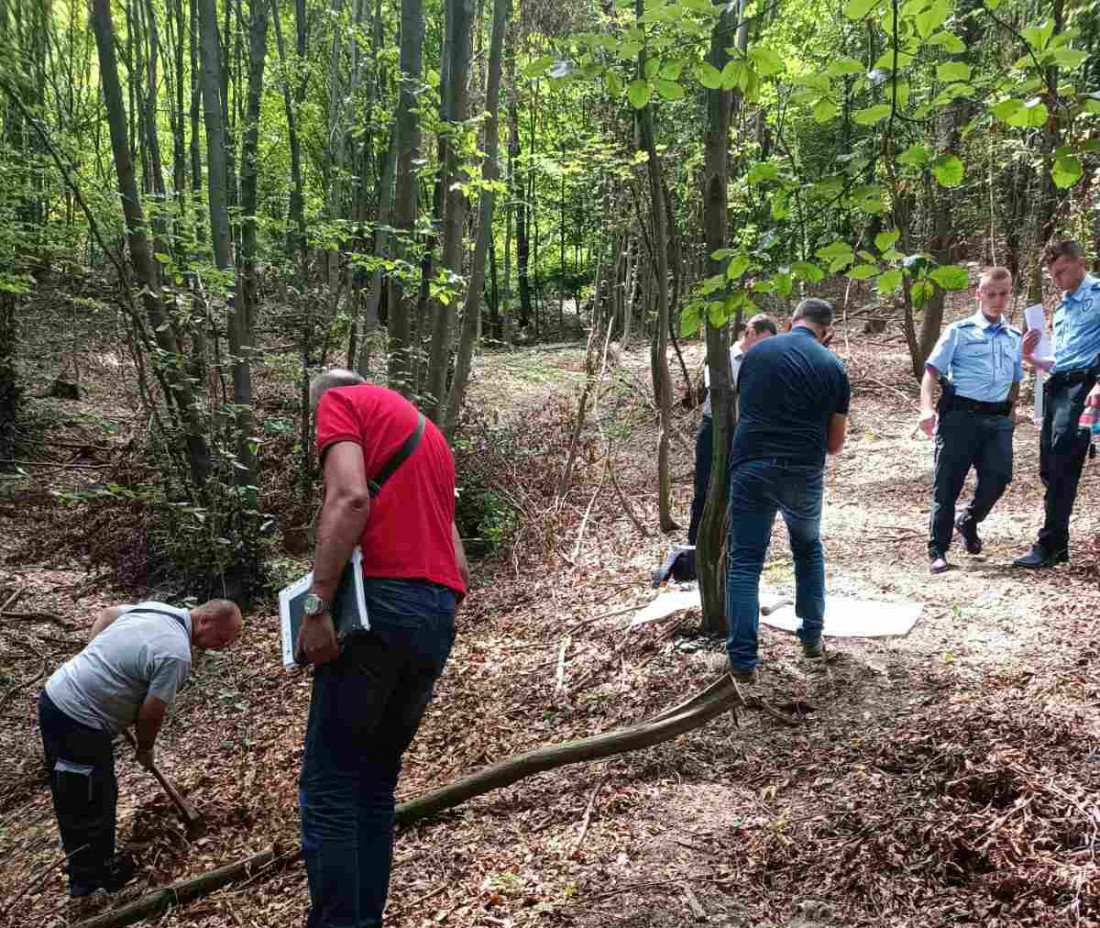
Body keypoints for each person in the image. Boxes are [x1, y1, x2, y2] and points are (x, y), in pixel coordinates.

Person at [297, 369, 470, 928]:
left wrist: (317, 604)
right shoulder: (429, 435)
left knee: (329, 787)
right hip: (436, 614)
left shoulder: (340, 403)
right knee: (373, 784)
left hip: (379, 611)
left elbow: (348, 498)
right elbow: (459, 561)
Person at [38, 599, 242, 897]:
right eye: (221, 639)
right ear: (205, 622)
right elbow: (152, 710)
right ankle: (89, 882)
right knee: (88, 796)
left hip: (60, 697)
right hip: (76, 717)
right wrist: (145, 748)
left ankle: (95, 867)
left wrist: (96, 661)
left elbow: (107, 615)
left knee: (92, 790)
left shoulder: (160, 609)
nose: (219, 647)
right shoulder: (177, 655)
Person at [725, 298, 849, 683]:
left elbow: (744, 411)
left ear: (792, 321)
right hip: (802, 471)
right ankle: (811, 637)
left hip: (751, 465)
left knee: (745, 563)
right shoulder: (833, 367)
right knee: (807, 550)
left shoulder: (757, 354)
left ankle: (743, 662)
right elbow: (834, 444)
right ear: (826, 330)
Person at [919, 267, 1023, 573]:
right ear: (978, 294)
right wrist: (926, 409)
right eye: (990, 293)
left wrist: (1012, 415)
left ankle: (970, 520)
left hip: (998, 421)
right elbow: (931, 373)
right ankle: (938, 549)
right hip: (960, 419)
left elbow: (1015, 380)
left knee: (999, 477)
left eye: (1003, 293)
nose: (997, 300)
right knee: (947, 486)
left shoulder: (1014, 336)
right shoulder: (959, 331)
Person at [1014, 240, 1100, 568]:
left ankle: (1050, 545)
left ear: (1080, 261)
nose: (1058, 279)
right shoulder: (1063, 306)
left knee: (1064, 464)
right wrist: (1030, 357)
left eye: (1062, 271)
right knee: (1049, 466)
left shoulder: (1097, 295)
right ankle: (1057, 543)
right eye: (1053, 275)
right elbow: (1062, 361)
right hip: (1058, 387)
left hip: (1084, 386)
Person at [687, 313, 778, 546]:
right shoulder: (723, 357)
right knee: (705, 486)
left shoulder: (765, 360)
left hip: (748, 430)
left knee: (743, 488)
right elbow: (718, 391)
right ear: (750, 333)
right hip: (715, 428)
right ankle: (696, 545)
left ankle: (732, 543)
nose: (766, 346)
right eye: (763, 340)